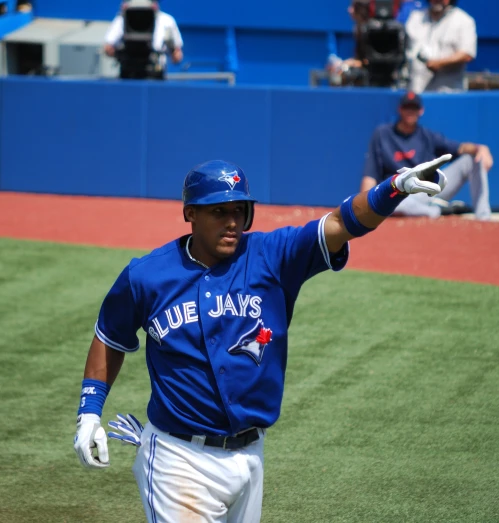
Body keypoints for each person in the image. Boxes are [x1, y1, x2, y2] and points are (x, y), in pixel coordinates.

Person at [73, 156, 452, 522]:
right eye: (219, 211)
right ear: (190, 213)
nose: (232, 222)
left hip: (251, 456)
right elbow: (110, 336)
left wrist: (394, 188)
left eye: (239, 211)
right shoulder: (147, 276)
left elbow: (341, 222)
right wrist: (90, 413)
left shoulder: (272, 256)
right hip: (178, 459)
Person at [360, 91, 493, 220]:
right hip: (400, 193)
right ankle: (438, 211)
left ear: (421, 111)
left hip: (428, 190)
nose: (410, 112)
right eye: (407, 107)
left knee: (472, 159)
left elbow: (461, 148)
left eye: (414, 108)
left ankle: (483, 217)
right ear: (400, 109)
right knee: (392, 203)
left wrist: (480, 148)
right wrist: (365, 209)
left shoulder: (426, 136)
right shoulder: (383, 134)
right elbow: (370, 175)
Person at [405, 0, 477, 93]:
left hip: (447, 93)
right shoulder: (416, 18)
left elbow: (467, 54)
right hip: (416, 92)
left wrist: (439, 63)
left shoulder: (464, 20)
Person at [103, 0, 183, 80]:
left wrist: (172, 50)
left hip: (156, 73)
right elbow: (108, 48)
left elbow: (177, 55)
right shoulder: (122, 19)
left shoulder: (167, 21)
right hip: (128, 72)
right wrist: (119, 53)